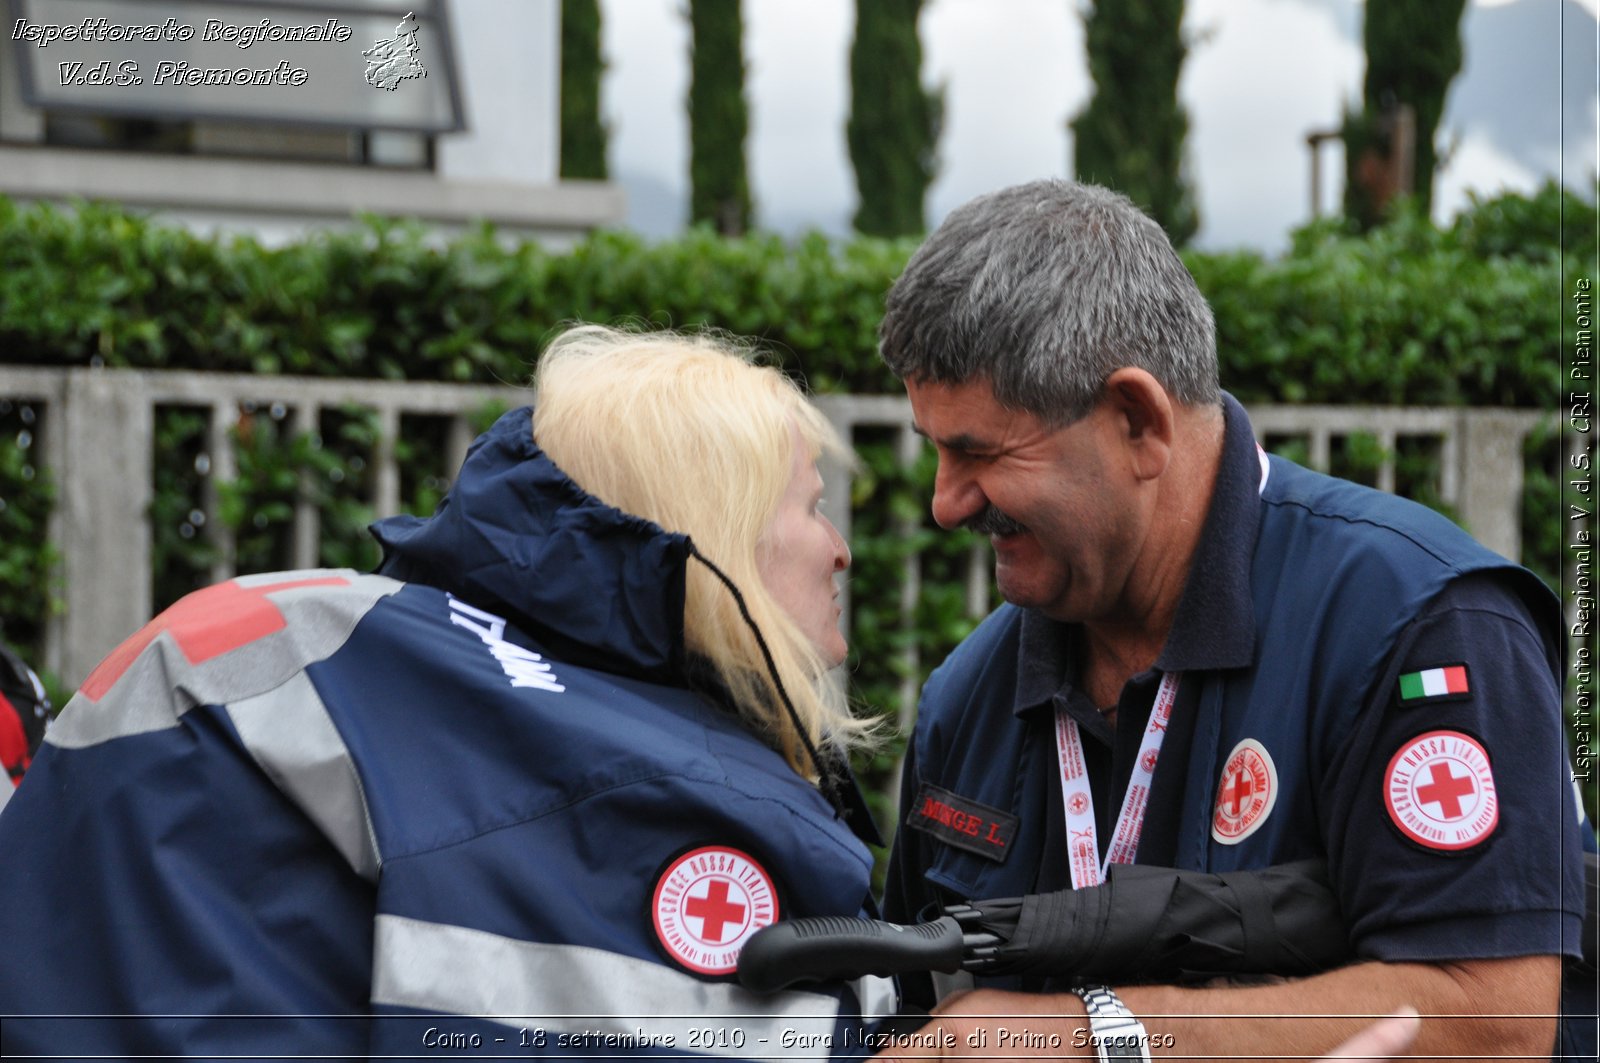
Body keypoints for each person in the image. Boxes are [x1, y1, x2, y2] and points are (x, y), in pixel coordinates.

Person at [0, 326, 890, 1058]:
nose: (839, 546)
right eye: (811, 504)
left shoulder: (427, 658)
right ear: (721, 532)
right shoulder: (589, 774)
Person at [875, 180, 1589, 1061]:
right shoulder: (967, 696)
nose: (945, 504)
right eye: (934, 447)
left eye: (979, 452)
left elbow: (1494, 1023)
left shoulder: (1422, 626)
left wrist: (1095, 1039)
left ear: (1138, 421)